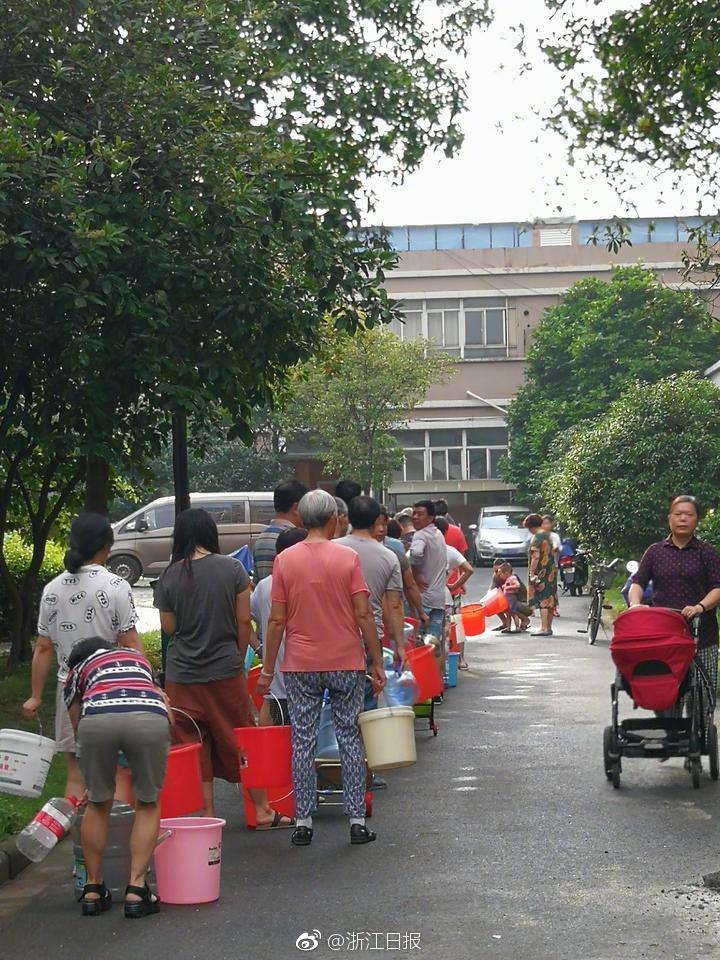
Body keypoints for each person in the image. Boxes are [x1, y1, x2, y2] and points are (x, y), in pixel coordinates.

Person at [257, 490, 385, 847]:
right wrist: (376, 660)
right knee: (349, 736)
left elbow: (277, 620)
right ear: (332, 518)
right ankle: (357, 819)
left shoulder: (285, 560)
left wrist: (268, 670)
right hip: (346, 659)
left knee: (302, 739)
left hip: (300, 664)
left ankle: (303, 820)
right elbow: (363, 613)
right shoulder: (348, 558)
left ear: (302, 518)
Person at [155, 508, 292, 828]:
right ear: (209, 534)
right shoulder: (232, 569)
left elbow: (170, 627)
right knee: (242, 737)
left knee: (193, 743)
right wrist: (237, 654)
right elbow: (243, 620)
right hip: (224, 670)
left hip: (182, 675)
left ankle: (206, 814)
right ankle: (261, 810)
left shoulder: (168, 576)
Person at [23, 513, 142, 798]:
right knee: (117, 772)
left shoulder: (52, 589)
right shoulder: (116, 586)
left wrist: (36, 696)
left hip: (70, 693)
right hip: (111, 689)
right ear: (106, 546)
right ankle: (116, 837)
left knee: (75, 775)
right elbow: (130, 642)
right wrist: (147, 683)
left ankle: (79, 839)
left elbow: (43, 646)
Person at [64, 638, 170, 918]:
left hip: (96, 721)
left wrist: (92, 777)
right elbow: (164, 702)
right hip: (150, 716)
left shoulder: (78, 669)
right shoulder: (138, 659)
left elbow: (76, 721)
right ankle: (136, 889)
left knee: (98, 804)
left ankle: (93, 889)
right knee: (148, 802)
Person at [629, 495, 720, 710]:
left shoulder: (706, 552)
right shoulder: (655, 551)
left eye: (689, 515)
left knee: (703, 698)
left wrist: (699, 607)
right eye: (678, 514)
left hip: (702, 634)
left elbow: (717, 587)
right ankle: (671, 735)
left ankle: (701, 738)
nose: (683, 519)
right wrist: (635, 604)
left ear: (696, 520)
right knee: (666, 692)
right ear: (669, 518)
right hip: (665, 635)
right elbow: (638, 582)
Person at [336, 496, 405, 701]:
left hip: (333, 634)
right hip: (369, 637)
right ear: (376, 520)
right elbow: (394, 605)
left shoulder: (333, 548)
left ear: (349, 518)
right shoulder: (388, 556)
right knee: (365, 701)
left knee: (335, 703)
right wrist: (399, 645)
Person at [250, 527, 308, 726]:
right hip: (309, 678)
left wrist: (259, 648)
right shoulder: (313, 583)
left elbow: (242, 618)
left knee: (275, 731)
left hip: (275, 678)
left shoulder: (264, 586)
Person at [374, 513, 428, 630]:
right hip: (388, 616)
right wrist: (419, 612)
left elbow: (410, 585)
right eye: (377, 524)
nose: (381, 529)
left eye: (384, 524)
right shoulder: (395, 551)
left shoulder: (395, 553)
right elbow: (410, 585)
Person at [252, 479, 308, 582]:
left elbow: (257, 582)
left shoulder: (260, 539)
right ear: (296, 508)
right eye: (306, 506)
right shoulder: (295, 539)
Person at [410, 501, 448, 647]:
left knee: (418, 645)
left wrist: (415, 574)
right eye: (414, 513)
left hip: (423, 599)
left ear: (431, 518)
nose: (415, 517)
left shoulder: (420, 535)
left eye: (420, 514)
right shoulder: (438, 534)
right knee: (434, 644)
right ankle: (436, 670)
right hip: (438, 599)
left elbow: (416, 552)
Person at [524, 513, 557, 637]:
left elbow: (536, 556)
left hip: (541, 571)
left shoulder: (536, 538)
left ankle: (543, 628)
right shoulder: (549, 535)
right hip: (551, 569)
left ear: (531, 527)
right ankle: (548, 627)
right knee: (550, 599)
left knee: (543, 599)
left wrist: (532, 573)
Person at [496, 562, 531, 633]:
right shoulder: (508, 579)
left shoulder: (513, 578)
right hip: (508, 598)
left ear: (506, 573)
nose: (500, 576)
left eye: (501, 574)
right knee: (508, 613)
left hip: (513, 599)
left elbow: (517, 585)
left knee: (513, 613)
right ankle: (508, 627)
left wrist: (508, 587)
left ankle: (518, 627)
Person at [542, 515, 562, 617]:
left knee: (552, 588)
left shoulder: (554, 536)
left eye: (547, 523)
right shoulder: (538, 536)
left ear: (552, 524)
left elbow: (556, 548)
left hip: (551, 566)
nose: (545, 525)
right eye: (543, 523)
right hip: (540, 567)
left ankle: (554, 608)